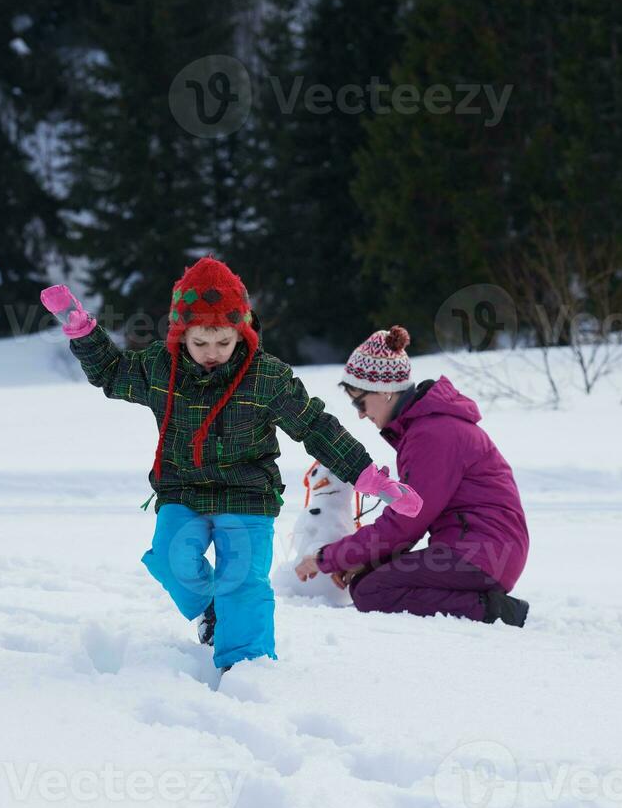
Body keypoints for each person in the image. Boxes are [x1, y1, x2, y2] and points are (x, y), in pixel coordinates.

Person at [41, 258, 422, 672]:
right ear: (180, 334)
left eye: (223, 342)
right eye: (200, 342)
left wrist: (367, 476)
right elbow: (113, 374)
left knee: (241, 581)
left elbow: (314, 425)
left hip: (247, 495)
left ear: (240, 331)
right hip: (183, 490)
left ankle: (246, 669)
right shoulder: (160, 369)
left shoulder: (265, 377)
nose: (212, 354)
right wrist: (82, 330)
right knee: (171, 558)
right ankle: (212, 610)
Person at [294, 326, 530, 627]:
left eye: (359, 401)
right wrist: (366, 561)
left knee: (371, 590)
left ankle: (494, 611)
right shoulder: (426, 428)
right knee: (369, 581)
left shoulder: (432, 434)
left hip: (482, 555)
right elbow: (411, 522)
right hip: (481, 552)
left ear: (385, 391)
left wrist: (327, 557)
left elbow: (405, 523)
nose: (361, 415)